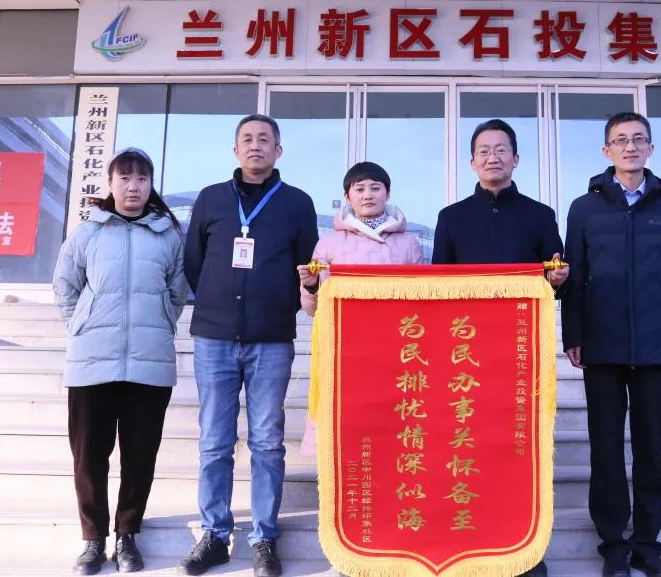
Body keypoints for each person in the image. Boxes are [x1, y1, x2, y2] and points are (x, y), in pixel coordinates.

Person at [179, 115, 318, 577]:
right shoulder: (212, 198)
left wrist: (277, 303)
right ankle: (214, 535)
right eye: (247, 139)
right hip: (214, 337)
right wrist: (218, 301)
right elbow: (195, 262)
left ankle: (264, 538)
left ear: (278, 150)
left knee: (267, 442)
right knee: (214, 442)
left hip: (271, 338)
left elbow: (308, 268)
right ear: (235, 149)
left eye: (264, 139)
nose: (255, 146)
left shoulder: (297, 203)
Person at [561, 112, 661, 577]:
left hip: (656, 346)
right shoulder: (584, 208)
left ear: (651, 148)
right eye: (620, 140)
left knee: (649, 450)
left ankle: (647, 544)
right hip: (602, 345)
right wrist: (574, 334)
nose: (630, 147)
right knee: (605, 449)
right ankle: (614, 545)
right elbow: (574, 278)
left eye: (639, 139)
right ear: (607, 151)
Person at [432, 118, 567, 577]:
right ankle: (470, 543)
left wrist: (558, 278)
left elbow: (555, 276)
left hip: (520, 354)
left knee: (519, 452)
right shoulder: (451, 217)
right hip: (464, 356)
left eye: (501, 149)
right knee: (467, 450)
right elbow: (438, 288)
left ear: (516, 159)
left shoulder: (540, 215)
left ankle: (524, 549)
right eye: (484, 150)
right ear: (472, 161)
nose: (493, 157)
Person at [54, 147, 187, 575]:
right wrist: (81, 323)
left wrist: (160, 320)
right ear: (110, 185)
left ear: (151, 186)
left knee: (140, 455)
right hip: (92, 361)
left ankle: (127, 535)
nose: (133, 187)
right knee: (89, 455)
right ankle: (93, 539)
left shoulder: (168, 236)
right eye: (125, 178)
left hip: (149, 363)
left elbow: (177, 291)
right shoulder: (88, 233)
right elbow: (65, 283)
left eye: (142, 179)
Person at [295, 161, 425, 455]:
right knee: (345, 423)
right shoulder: (328, 243)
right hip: (343, 347)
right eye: (360, 189)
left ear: (387, 194)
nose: (368, 195)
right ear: (348, 196)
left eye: (375, 188)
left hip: (396, 347)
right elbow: (313, 309)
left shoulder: (408, 244)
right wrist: (311, 286)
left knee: (391, 424)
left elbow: (420, 299)